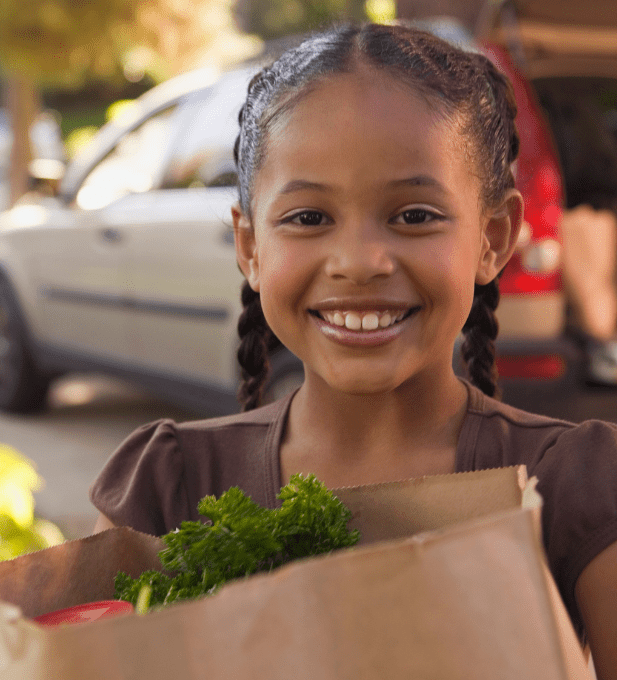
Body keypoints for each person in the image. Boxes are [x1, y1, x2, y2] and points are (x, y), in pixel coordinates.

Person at [90, 23, 617, 678]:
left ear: (493, 238)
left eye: (415, 215)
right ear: (250, 248)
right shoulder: (168, 486)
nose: (359, 262)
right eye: (309, 218)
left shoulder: (575, 485)